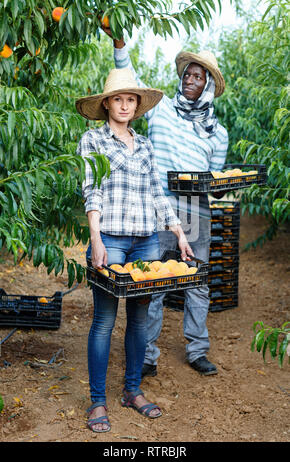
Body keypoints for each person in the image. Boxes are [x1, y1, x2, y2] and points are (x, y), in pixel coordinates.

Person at [102, 27, 229, 377]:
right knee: (153, 283)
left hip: (196, 214)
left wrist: (221, 187)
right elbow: (129, 82)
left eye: (198, 76)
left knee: (197, 282)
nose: (190, 79)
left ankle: (197, 349)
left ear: (208, 86)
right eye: (187, 73)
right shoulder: (161, 111)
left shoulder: (217, 133)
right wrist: (119, 44)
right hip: (157, 211)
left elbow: (214, 180)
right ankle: (146, 355)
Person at [75, 67, 194, 433]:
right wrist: (95, 238)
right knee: (105, 320)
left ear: (136, 105)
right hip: (110, 237)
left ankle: (131, 390)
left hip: (145, 240)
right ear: (106, 103)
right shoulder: (92, 141)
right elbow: (91, 189)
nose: (124, 105)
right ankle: (97, 401)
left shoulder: (144, 145)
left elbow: (157, 194)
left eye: (131, 99)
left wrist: (179, 232)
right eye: (118, 98)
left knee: (140, 319)